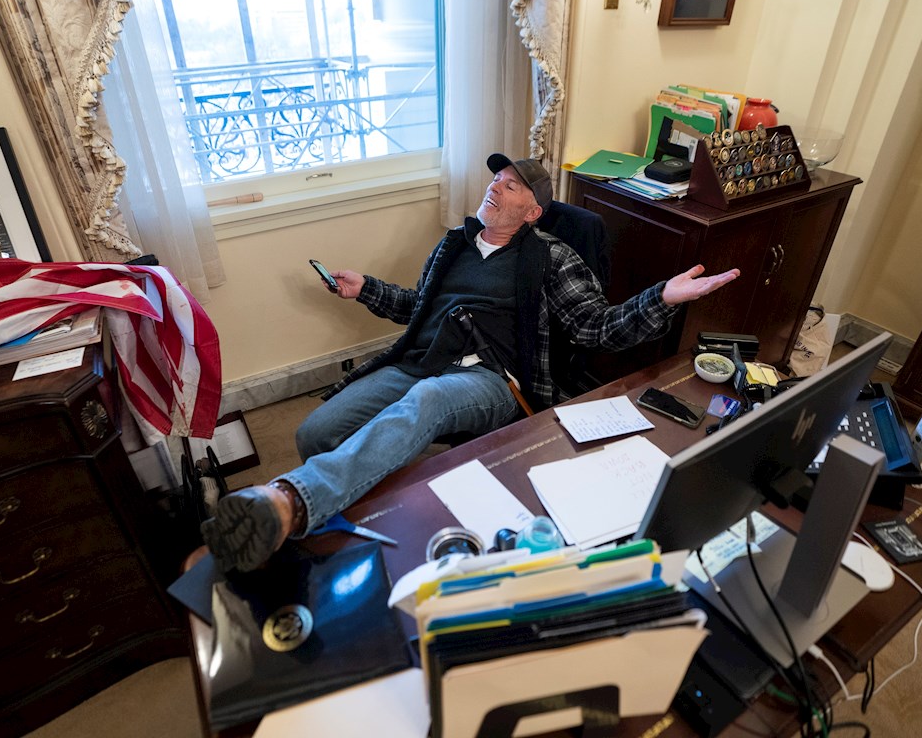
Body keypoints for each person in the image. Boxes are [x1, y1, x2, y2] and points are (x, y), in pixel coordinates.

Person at [201, 153, 740, 573]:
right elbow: (421, 309)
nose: (494, 186)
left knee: (428, 401)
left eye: (510, 185)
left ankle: (289, 500)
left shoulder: (551, 256)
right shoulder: (454, 245)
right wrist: (367, 290)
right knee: (315, 433)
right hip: (419, 362)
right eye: (494, 180)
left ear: (533, 212)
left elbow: (596, 328)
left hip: (491, 379)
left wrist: (661, 298)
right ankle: (357, 527)